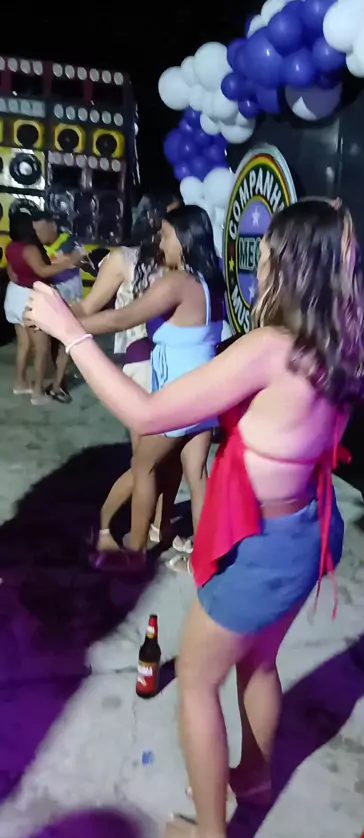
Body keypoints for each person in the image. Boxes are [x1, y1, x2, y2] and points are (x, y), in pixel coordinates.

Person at [25, 197, 364, 838]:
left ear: (291, 264)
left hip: (262, 550)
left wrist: (71, 333)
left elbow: (147, 414)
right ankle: (255, 778)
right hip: (305, 528)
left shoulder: (273, 349)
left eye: (268, 250)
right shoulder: (345, 344)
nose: (259, 260)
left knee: (196, 682)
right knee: (259, 666)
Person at [73, 204, 225, 570]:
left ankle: (136, 554)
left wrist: (67, 324)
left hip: (176, 399)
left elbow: (123, 318)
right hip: (206, 396)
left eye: (167, 235)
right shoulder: (211, 281)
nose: (161, 242)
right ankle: (205, 561)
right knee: (197, 475)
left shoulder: (178, 283)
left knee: (143, 468)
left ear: (185, 240)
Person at [73, 192, 183, 560]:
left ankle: (154, 526)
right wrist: (57, 317)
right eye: (172, 216)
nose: (179, 224)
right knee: (145, 461)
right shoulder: (124, 259)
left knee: (168, 458)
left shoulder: (180, 258)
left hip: (176, 365)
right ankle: (105, 526)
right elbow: (90, 307)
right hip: (140, 364)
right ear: (153, 219)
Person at [4, 211, 79, 405]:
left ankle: (20, 383)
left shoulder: (11, 246)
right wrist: (69, 262)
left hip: (14, 294)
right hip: (29, 297)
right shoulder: (30, 249)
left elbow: (11, 269)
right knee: (42, 349)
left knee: (23, 345)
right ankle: (37, 393)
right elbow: (43, 271)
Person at [32, 209, 85, 403]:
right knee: (51, 345)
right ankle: (58, 379)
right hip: (50, 300)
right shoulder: (35, 247)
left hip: (70, 299)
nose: (38, 234)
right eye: (35, 231)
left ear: (52, 225)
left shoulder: (68, 241)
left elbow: (80, 259)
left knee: (66, 341)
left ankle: (57, 385)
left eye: (41, 230)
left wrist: (67, 261)